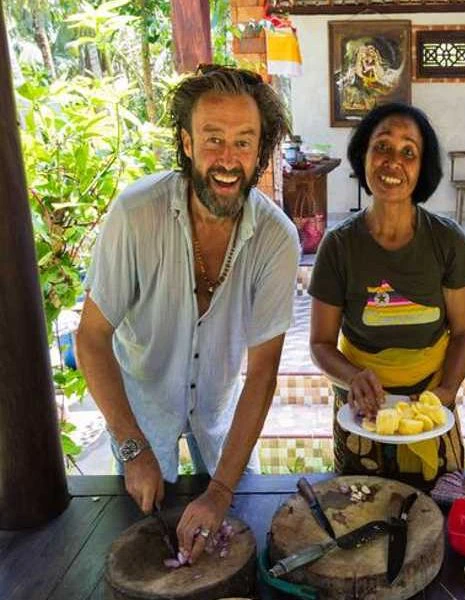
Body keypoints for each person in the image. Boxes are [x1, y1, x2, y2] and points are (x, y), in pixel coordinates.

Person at [75, 65, 300, 563]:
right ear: (187, 142)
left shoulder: (277, 240)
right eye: (213, 138)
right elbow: (90, 339)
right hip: (138, 414)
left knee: (237, 545)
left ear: (260, 151)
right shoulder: (137, 214)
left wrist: (220, 490)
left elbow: (262, 374)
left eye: (244, 142)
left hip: (222, 420)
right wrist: (132, 447)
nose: (227, 158)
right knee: (137, 549)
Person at [309, 102, 465, 480]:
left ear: (422, 168)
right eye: (382, 146)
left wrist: (446, 391)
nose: (393, 162)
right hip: (362, 411)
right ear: (363, 155)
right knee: (358, 516)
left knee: (439, 514)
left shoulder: (447, 241)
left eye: (408, 152)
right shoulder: (339, 246)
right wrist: (353, 377)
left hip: (430, 406)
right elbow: (320, 343)